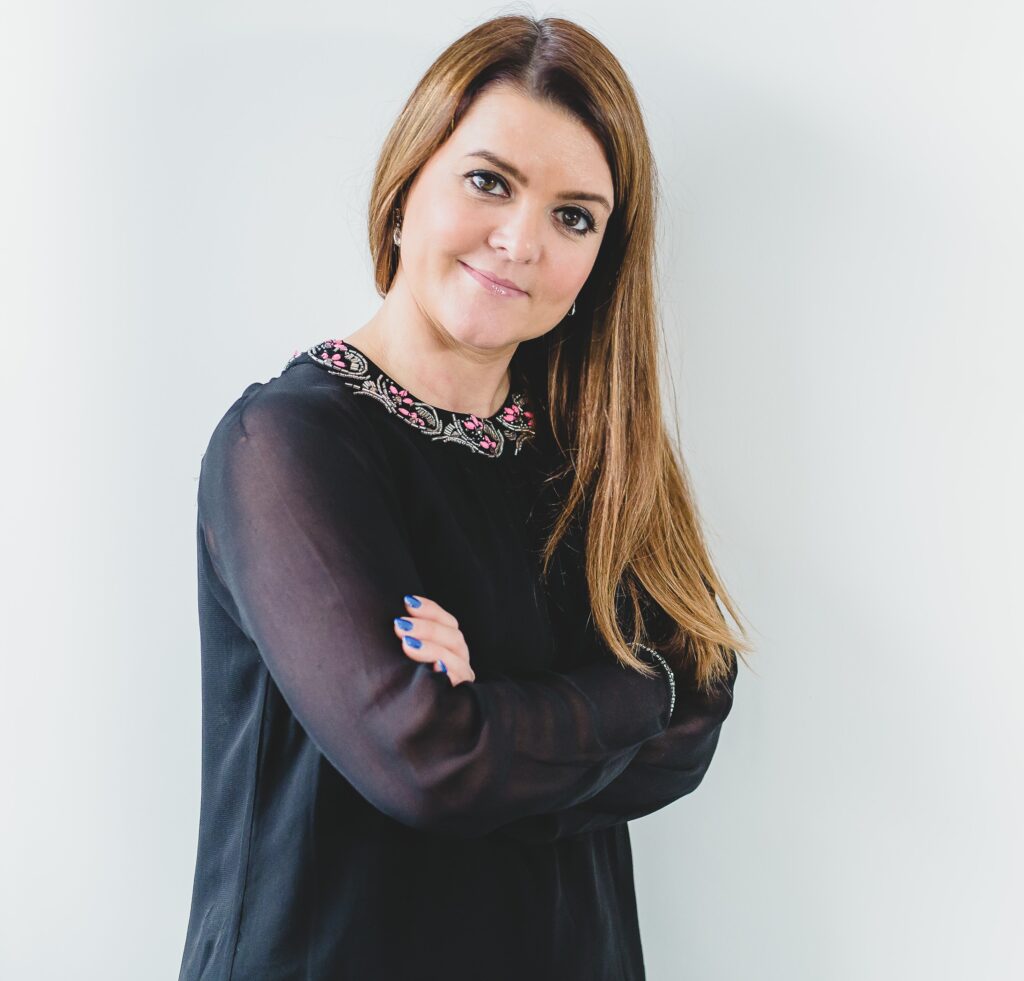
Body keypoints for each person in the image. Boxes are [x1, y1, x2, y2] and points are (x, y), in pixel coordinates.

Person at [178, 13, 750, 981]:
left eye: (574, 217)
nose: (520, 241)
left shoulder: (590, 456)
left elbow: (699, 703)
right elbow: (432, 764)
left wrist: (493, 716)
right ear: (405, 190)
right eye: (489, 181)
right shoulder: (284, 445)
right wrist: (623, 698)